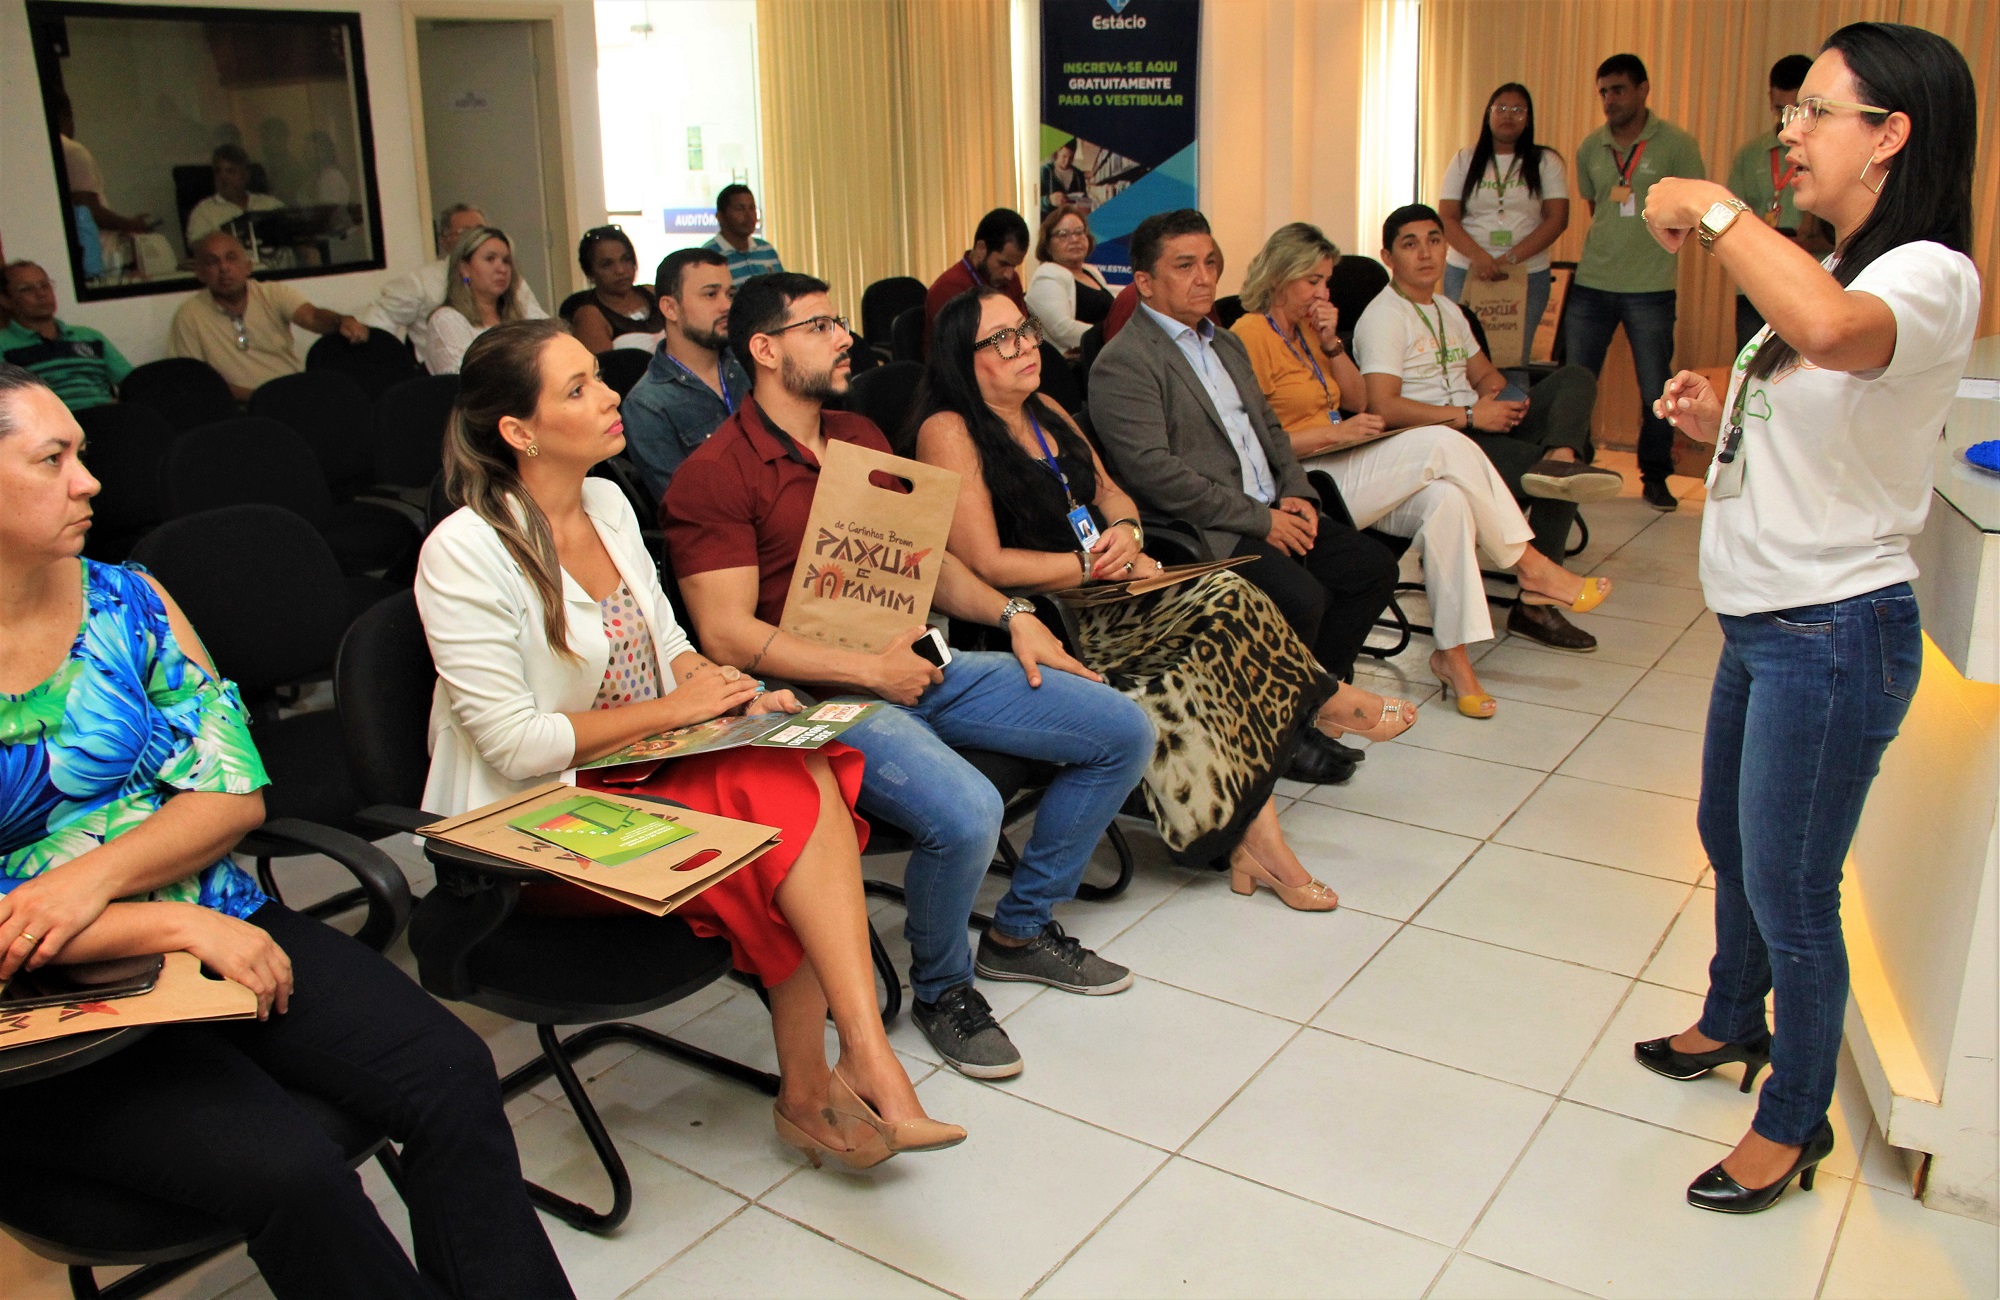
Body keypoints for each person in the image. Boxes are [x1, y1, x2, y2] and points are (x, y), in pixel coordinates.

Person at [0, 363, 574, 1300]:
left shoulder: (127, 599)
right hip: (50, 1003)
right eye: (52, 459)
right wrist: (171, 922)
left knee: (451, 1073)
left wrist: (92, 881)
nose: (88, 481)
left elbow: (233, 797)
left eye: (84, 455)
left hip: (216, 919)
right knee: (295, 1172)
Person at [417, 319, 965, 1171]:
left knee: (797, 763)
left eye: (598, 376)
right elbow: (518, 745)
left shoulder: (606, 503)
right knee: (789, 816)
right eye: (578, 389)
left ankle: (855, 1060)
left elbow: (669, 642)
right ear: (519, 433)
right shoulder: (463, 551)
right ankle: (829, 1080)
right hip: (534, 824)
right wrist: (681, 707)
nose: (610, 396)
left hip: (638, 765)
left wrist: (732, 693)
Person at [1632, 22, 1979, 1214]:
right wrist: (1709, 413)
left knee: (1790, 884)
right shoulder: (1838, 265)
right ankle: (1732, 1015)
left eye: (1813, 112)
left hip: (1830, 633)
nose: (1788, 132)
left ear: (1888, 135)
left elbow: (1831, 335)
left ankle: (1792, 1122)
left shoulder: (1924, 273)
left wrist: (1710, 206)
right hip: (1763, 620)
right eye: (1792, 113)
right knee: (1726, 838)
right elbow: (1818, 411)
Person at [663, 273, 1154, 1081]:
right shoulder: (716, 474)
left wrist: (1012, 615)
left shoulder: (858, 432)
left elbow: (927, 564)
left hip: (914, 660)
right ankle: (944, 988)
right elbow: (727, 634)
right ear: (765, 349)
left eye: (837, 322)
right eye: (819, 326)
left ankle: (1020, 930)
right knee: (970, 809)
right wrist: (870, 671)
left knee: (1121, 729)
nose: (843, 338)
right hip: (813, 701)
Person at [918, 289, 1420, 908]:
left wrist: (1128, 536)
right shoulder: (949, 430)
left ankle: (1258, 837)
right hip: (1047, 614)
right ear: (962, 359)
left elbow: (1112, 494)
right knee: (1220, 611)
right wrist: (1091, 567)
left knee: (1226, 607)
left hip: (1110, 587)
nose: (1024, 346)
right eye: (1001, 339)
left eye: (1025, 329)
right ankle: (1320, 702)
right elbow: (984, 562)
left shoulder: (1044, 406)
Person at [1235, 222, 1614, 713]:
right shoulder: (1249, 336)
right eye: (1313, 282)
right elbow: (1252, 445)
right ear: (1280, 277)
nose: (1324, 293)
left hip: (1343, 457)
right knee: (1441, 441)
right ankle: (1532, 566)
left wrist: (1331, 344)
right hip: (1305, 477)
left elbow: (1357, 400)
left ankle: (1454, 658)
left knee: (1448, 501)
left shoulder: (1308, 332)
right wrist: (1335, 435)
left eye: (1326, 282)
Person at [1086, 208, 1399, 784]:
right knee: (1302, 597)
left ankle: (1310, 707)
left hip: (1272, 506)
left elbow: (1272, 431)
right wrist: (1262, 519)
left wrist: (1298, 493)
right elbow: (1154, 474)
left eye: (1211, 263)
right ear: (1145, 282)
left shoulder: (1225, 343)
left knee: (1371, 569)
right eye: (1185, 266)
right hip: (1210, 528)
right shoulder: (1125, 362)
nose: (1205, 278)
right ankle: (1284, 735)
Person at [1353, 205, 1621, 660]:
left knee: (1574, 381)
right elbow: (1384, 408)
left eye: (1434, 240)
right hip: (1439, 440)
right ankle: (1535, 605)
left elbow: (1485, 377)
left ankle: (1559, 456)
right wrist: (1472, 416)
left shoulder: (1448, 310)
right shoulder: (1384, 316)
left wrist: (1505, 398)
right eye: (1410, 244)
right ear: (1388, 257)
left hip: (1478, 422)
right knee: (1555, 476)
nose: (1425, 253)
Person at [1568, 53, 1707, 513]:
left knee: (1656, 390)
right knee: (1577, 383)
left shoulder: (1676, 145)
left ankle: (1655, 476)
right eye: (1603, 92)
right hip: (1592, 283)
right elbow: (1597, 208)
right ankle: (1572, 465)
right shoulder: (1591, 147)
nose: (1610, 100)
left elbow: (1694, 208)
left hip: (1650, 288)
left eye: (1619, 90)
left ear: (1643, 89)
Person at [1438, 83, 1570, 367]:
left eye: (1518, 110)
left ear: (1528, 119)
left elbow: (1557, 219)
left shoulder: (1546, 162)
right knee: (1463, 358)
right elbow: (1447, 217)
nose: (1508, 115)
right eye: (1501, 108)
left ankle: (1514, 399)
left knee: (1513, 360)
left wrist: (1509, 259)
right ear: (1488, 114)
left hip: (1526, 273)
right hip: (1466, 270)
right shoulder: (1464, 159)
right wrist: (1479, 257)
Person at [169, 232, 367, 401]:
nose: (224, 268)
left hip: (293, 395)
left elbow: (312, 316)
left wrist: (342, 321)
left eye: (231, 258)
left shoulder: (272, 293)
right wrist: (261, 397)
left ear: (248, 266)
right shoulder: (189, 315)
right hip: (241, 409)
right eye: (213, 262)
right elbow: (197, 380)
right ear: (200, 273)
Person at [1727, 54, 1837, 353]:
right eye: (1780, 109)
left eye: (1799, 110)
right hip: (1756, 283)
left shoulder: (1827, 154)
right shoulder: (1751, 154)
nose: (1787, 123)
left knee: (1807, 364)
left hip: (1812, 281)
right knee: (1750, 365)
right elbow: (1732, 218)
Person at [622, 247, 748, 505]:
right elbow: (685, 507)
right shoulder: (647, 404)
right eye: (711, 294)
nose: (727, 306)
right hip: (722, 524)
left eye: (730, 294)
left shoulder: (749, 366)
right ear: (670, 308)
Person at [357, 202, 549, 357]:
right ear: (445, 241)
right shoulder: (421, 282)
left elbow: (544, 328)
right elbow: (377, 322)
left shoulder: (511, 280)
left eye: (481, 230)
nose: (477, 237)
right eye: (465, 232)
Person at [1, 259, 131, 410]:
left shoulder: (89, 337)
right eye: (26, 289)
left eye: (45, 285)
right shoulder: (4, 344)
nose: (41, 294)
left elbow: (133, 381)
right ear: (5, 300)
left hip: (105, 414)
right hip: (52, 420)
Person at [421, 226, 543, 376]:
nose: (502, 269)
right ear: (464, 269)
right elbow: (465, 380)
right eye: (490, 259)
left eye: (506, 261)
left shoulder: (525, 312)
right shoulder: (446, 321)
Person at [922, 208, 1031, 351]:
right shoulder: (948, 288)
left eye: (1014, 266)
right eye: (1003, 264)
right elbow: (958, 353)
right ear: (981, 248)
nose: (1009, 275)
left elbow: (1023, 331)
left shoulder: (1011, 281)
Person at [1025, 205, 1114, 357]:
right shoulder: (1047, 275)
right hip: (1075, 363)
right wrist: (1112, 335)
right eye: (1063, 234)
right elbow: (1062, 329)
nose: (1074, 239)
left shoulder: (1091, 272)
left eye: (1079, 232)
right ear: (1048, 244)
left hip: (1106, 354)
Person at [568, 225, 665, 353]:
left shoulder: (654, 293)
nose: (620, 270)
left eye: (626, 259)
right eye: (607, 264)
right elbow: (603, 364)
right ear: (590, 273)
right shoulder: (589, 317)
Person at [183, 143, 285, 249]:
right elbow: (199, 249)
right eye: (218, 171)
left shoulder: (270, 204)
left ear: (244, 176)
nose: (223, 178)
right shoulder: (203, 212)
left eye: (230, 171)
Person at [702, 184, 785, 284]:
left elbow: (783, 288)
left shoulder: (766, 250)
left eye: (752, 208)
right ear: (720, 216)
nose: (748, 215)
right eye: (739, 208)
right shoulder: (708, 257)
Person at [1039, 139, 1089, 216]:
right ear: (1058, 151)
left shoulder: (1079, 175)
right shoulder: (1045, 171)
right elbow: (1034, 202)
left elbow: (1085, 200)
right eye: (1064, 156)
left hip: (1072, 220)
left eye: (1071, 158)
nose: (1067, 162)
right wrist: (1049, 200)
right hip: (1051, 221)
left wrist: (1084, 206)